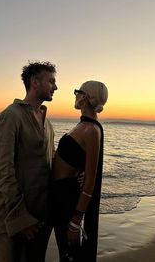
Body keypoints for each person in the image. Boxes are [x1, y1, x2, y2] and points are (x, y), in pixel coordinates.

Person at [0, 61, 58, 262]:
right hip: (10, 218)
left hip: (39, 215)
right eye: (51, 81)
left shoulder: (47, 122)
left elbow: (51, 161)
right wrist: (20, 218)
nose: (56, 87)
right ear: (35, 82)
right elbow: (2, 171)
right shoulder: (11, 116)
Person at [51, 80, 108, 262]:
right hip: (59, 196)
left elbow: (90, 181)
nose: (75, 95)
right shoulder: (82, 126)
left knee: (70, 255)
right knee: (64, 251)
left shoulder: (91, 130)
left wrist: (76, 221)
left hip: (68, 199)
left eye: (77, 91)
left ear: (84, 97)